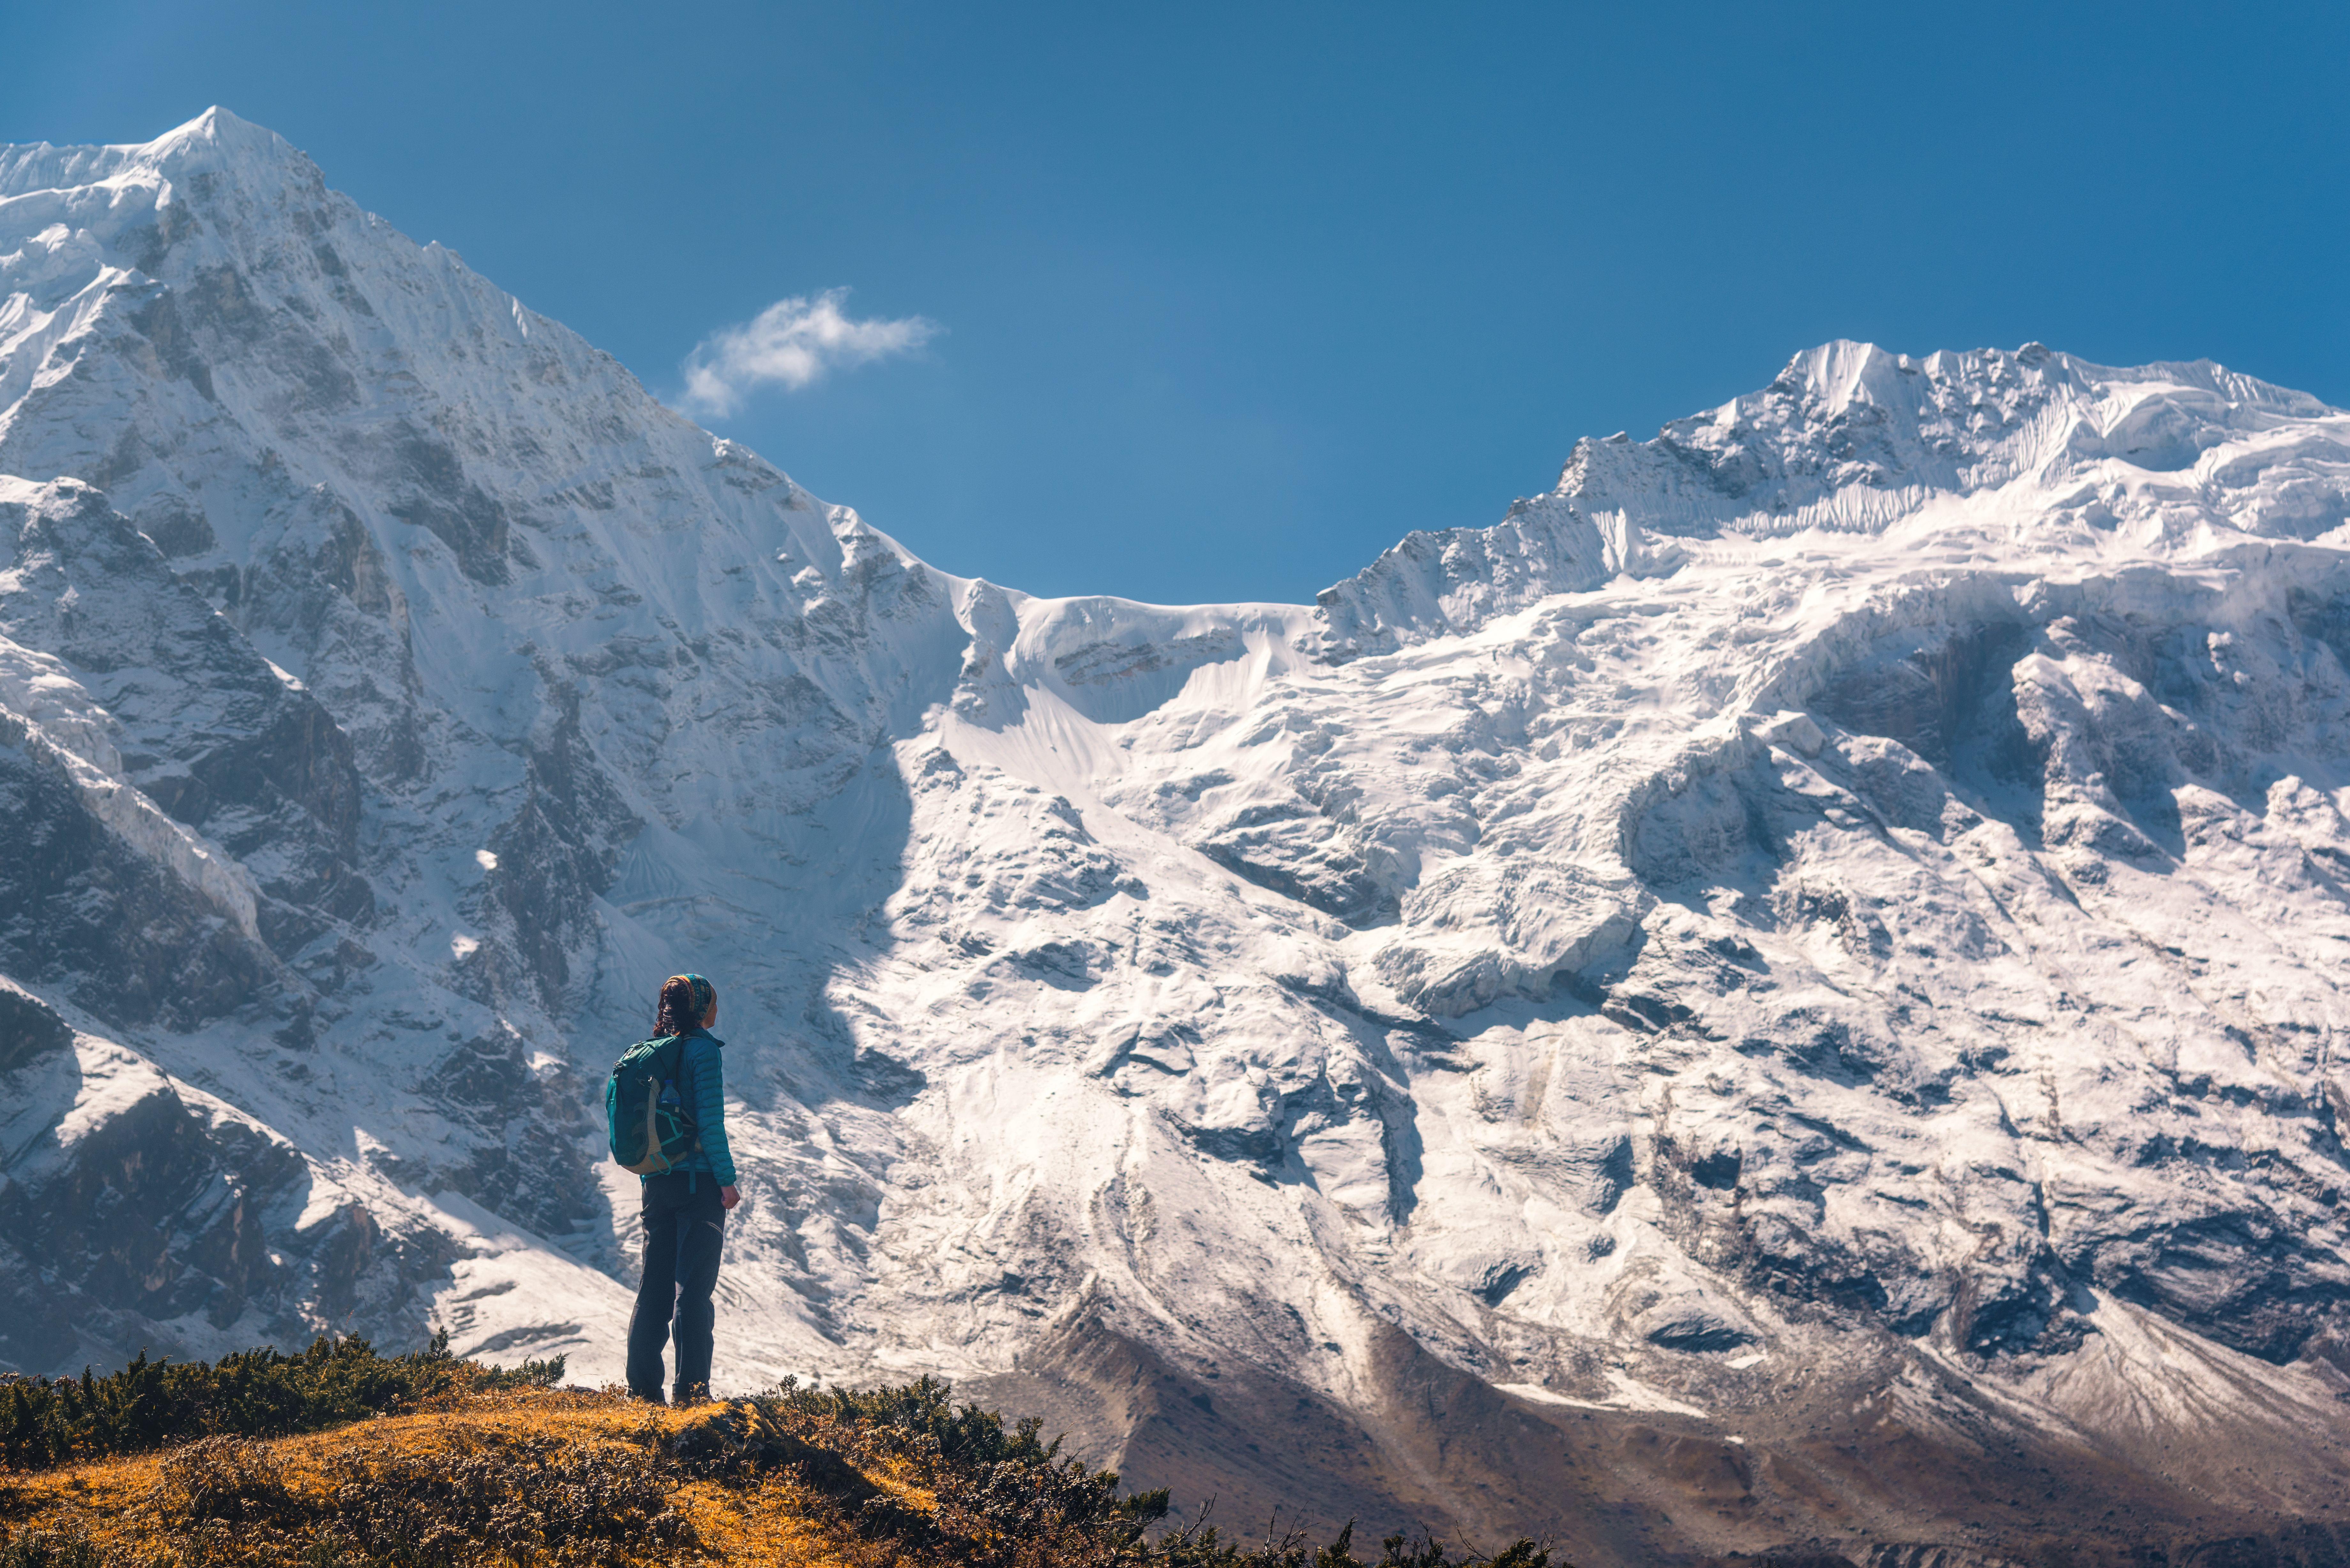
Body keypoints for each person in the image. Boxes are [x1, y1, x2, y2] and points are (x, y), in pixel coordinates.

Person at [625, 972, 739, 1404]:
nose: (717, 1009)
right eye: (712, 1001)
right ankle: (692, 1393)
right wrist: (726, 1182)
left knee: (653, 1287)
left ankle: (642, 1392)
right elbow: (710, 1123)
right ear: (702, 1006)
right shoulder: (703, 1052)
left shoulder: (652, 1053)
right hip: (698, 1186)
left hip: (656, 1183)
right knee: (693, 1291)